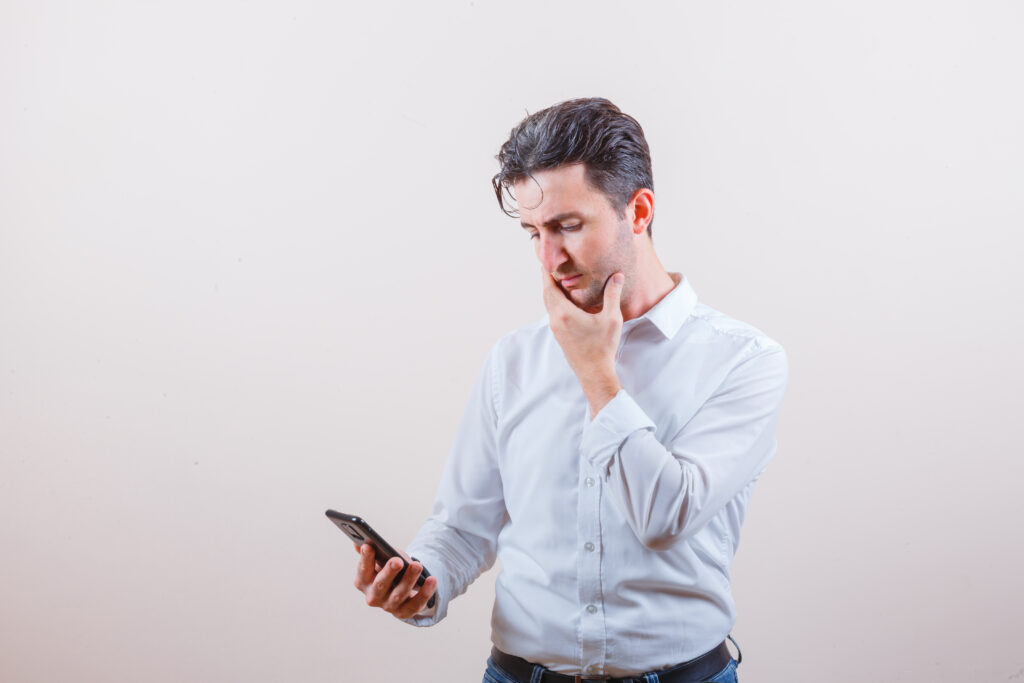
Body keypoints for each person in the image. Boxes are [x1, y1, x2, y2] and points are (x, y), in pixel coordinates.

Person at [352, 97, 788, 683]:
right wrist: (420, 582)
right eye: (534, 232)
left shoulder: (744, 361)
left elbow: (666, 515)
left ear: (638, 211)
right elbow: (463, 526)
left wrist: (596, 374)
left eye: (567, 226)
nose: (549, 258)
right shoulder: (514, 360)